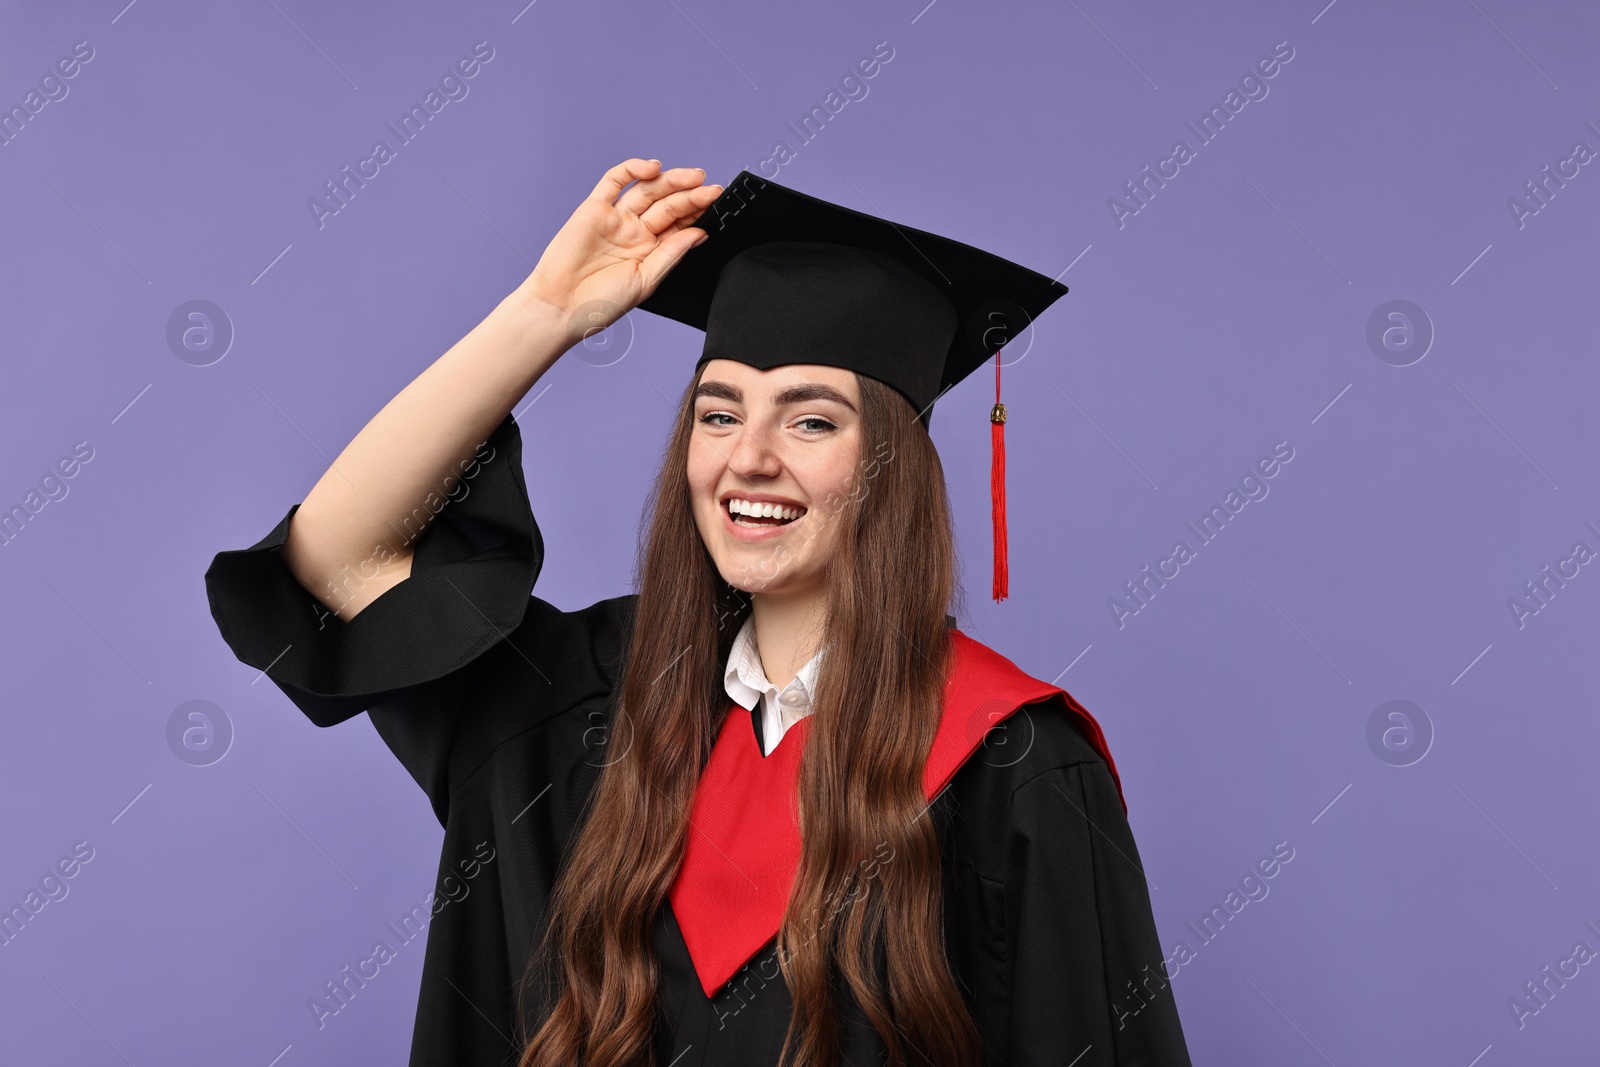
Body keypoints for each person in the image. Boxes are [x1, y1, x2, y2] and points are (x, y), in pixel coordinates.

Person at [204, 158, 1193, 1067]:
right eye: (718, 413)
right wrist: (545, 312)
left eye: (811, 419)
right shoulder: (573, 706)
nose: (747, 457)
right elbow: (336, 562)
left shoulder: (1012, 767)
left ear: (891, 466)